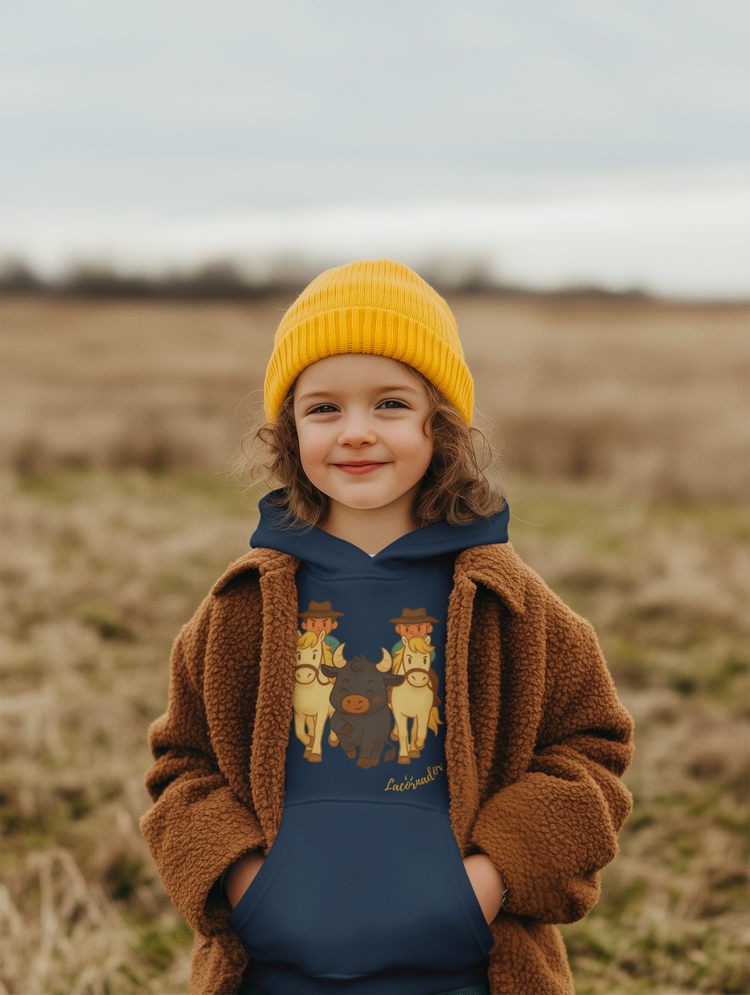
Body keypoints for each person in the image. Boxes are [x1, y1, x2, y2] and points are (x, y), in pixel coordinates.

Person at [141, 259, 634, 995]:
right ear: (288, 431)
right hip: (277, 970)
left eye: (391, 403)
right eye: (325, 408)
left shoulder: (510, 604)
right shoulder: (239, 608)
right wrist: (249, 886)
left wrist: (485, 885)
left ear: (442, 424)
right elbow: (183, 763)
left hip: (463, 969)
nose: (357, 432)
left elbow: (591, 750)